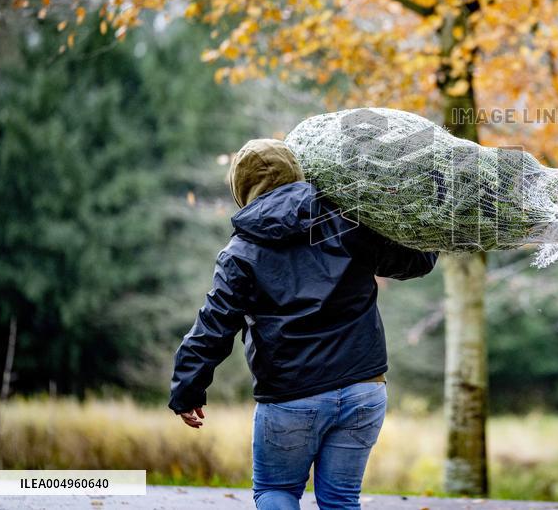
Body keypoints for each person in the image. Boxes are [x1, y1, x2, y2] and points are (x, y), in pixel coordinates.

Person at [168, 138, 437, 510]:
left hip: (291, 395)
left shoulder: (241, 252)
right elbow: (415, 262)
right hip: (364, 387)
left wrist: (188, 388)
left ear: (241, 189)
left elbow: (215, 324)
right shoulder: (347, 220)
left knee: (276, 492)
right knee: (341, 500)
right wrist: (429, 226)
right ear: (297, 172)